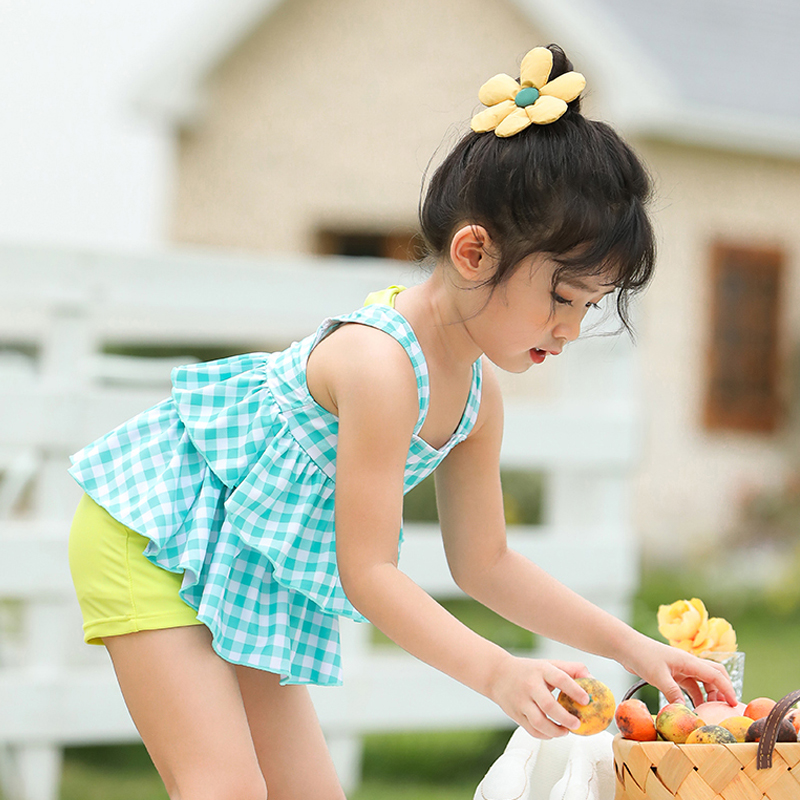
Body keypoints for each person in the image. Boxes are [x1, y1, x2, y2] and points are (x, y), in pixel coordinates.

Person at [67, 44, 736, 800]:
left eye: (587, 309)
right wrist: (499, 672)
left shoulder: (478, 400)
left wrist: (636, 650)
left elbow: (484, 563)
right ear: (474, 251)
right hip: (155, 529)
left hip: (246, 560)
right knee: (223, 789)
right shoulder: (381, 366)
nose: (570, 331)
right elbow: (370, 572)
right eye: (562, 298)